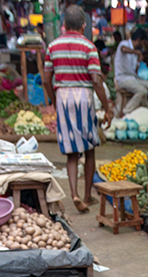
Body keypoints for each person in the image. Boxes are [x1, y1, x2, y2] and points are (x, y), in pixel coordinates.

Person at [44, 4, 112, 213]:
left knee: (71, 153)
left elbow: (46, 79)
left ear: (64, 25)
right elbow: (96, 80)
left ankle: (73, 193)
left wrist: (54, 101)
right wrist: (107, 107)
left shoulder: (53, 47)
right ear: (84, 25)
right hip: (83, 98)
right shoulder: (89, 47)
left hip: (63, 98)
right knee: (90, 148)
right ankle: (87, 195)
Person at [114, 26, 148, 113]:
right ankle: (126, 111)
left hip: (133, 78)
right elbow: (123, 49)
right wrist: (137, 53)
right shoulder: (125, 44)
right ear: (139, 40)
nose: (144, 45)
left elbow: (136, 69)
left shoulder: (135, 52)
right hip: (123, 78)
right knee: (142, 90)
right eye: (143, 42)